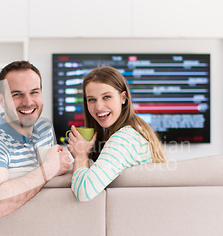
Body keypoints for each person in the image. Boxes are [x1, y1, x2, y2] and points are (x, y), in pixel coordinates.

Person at [0, 61, 71, 219]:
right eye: (17, 94)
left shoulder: (45, 129)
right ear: (1, 100)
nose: (28, 102)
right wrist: (49, 169)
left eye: (34, 92)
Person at [67, 66, 167, 201]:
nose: (98, 107)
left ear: (123, 97)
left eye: (106, 97)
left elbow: (84, 192)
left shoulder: (124, 138)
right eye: (92, 99)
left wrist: (80, 154)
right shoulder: (137, 129)